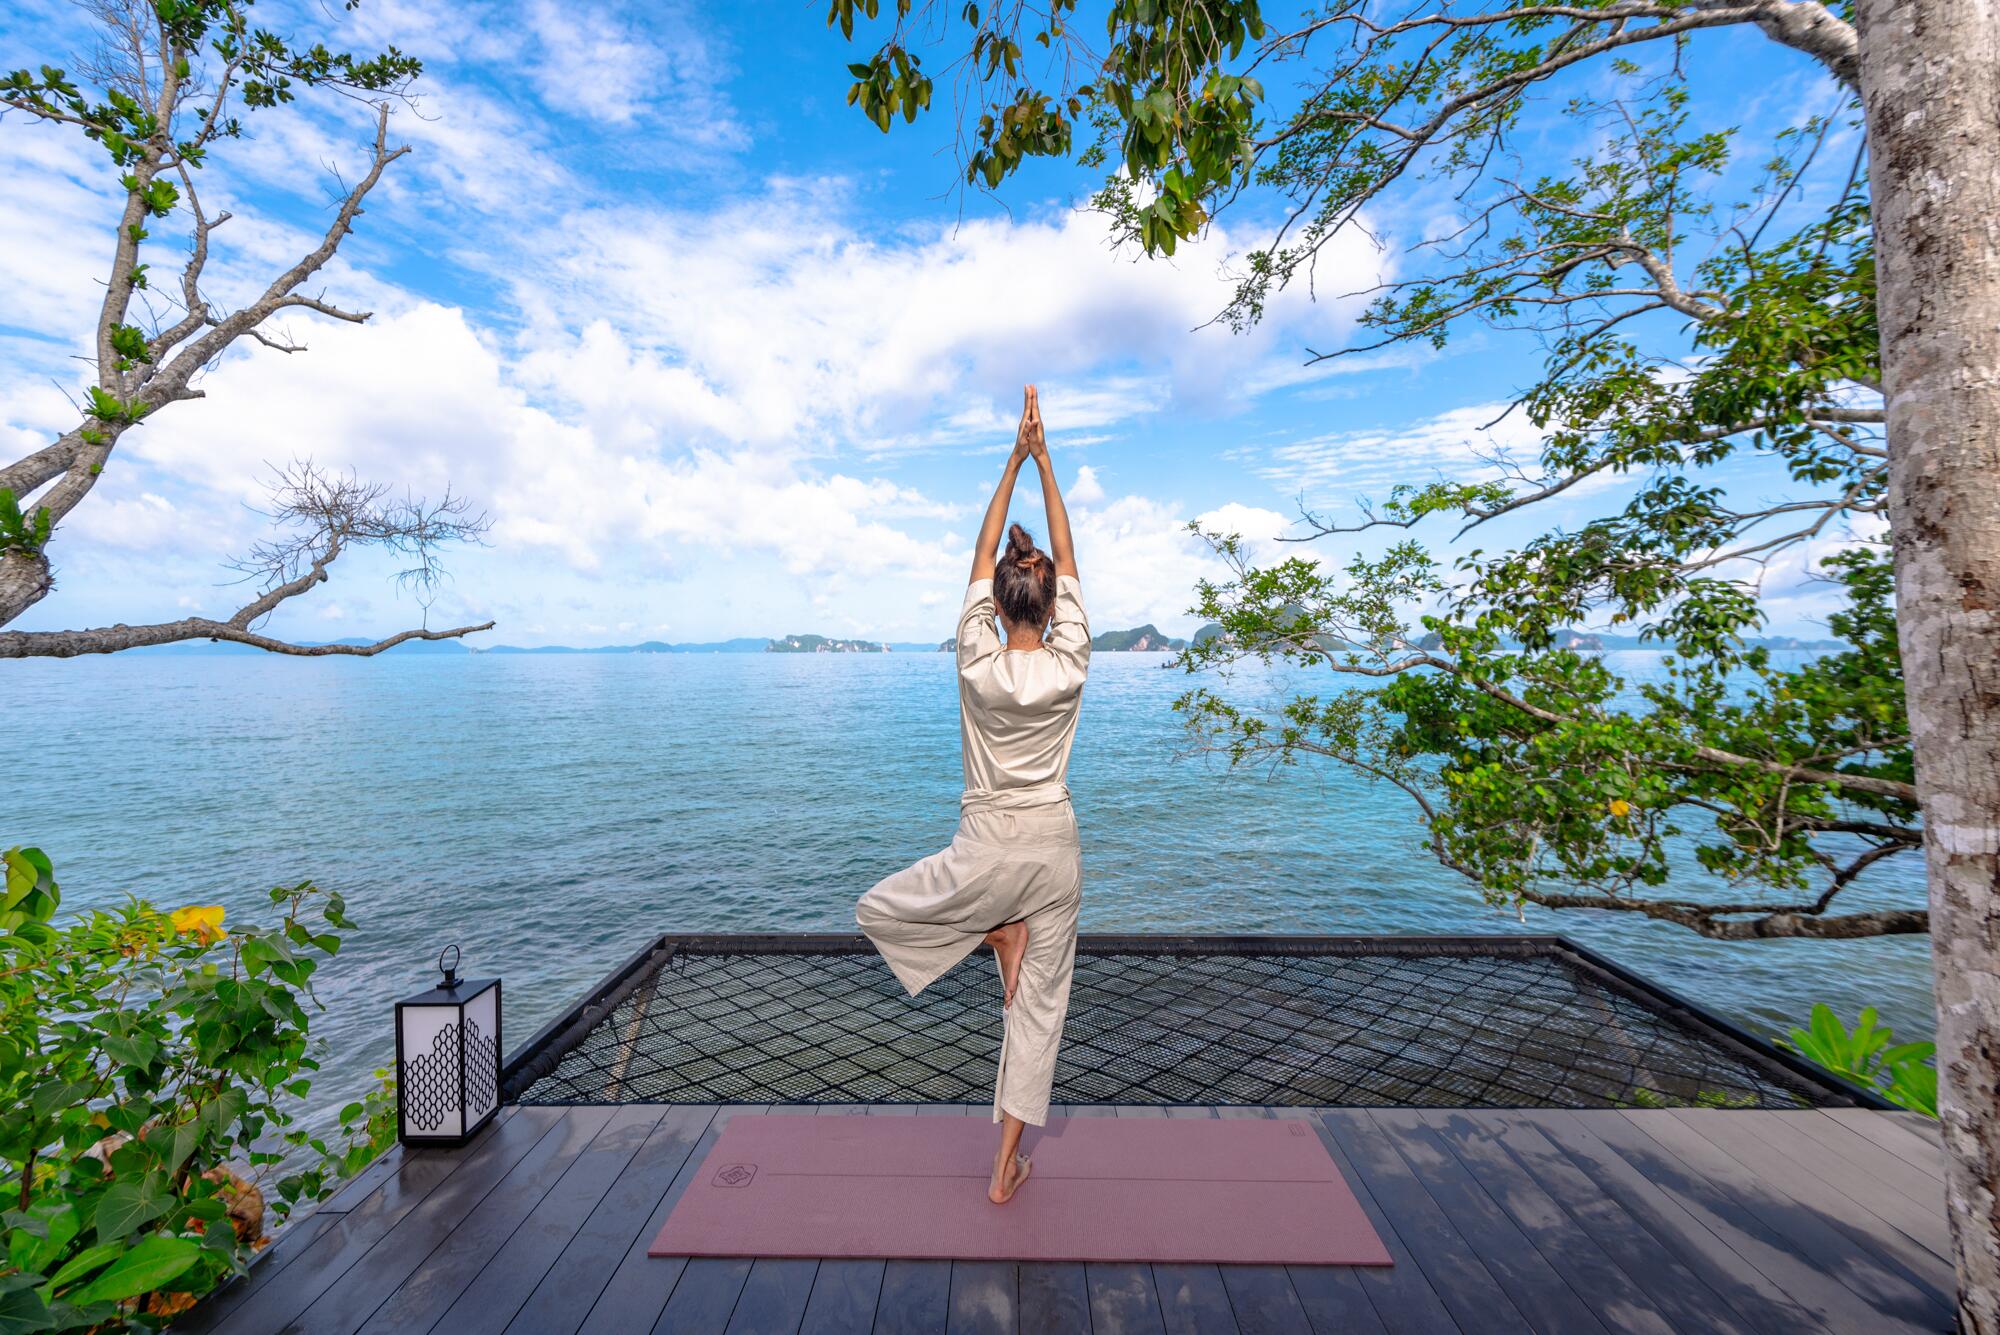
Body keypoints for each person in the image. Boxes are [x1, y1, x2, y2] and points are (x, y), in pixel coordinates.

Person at [855, 384, 1089, 1206]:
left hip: (985, 845)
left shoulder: (975, 663)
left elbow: (982, 548)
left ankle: (992, 930)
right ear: (1055, 606)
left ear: (994, 608)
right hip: (1053, 851)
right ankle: (1003, 1169)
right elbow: (1062, 547)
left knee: (877, 909)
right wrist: (1046, 460)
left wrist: (1014, 457)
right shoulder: (1071, 665)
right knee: (1039, 1014)